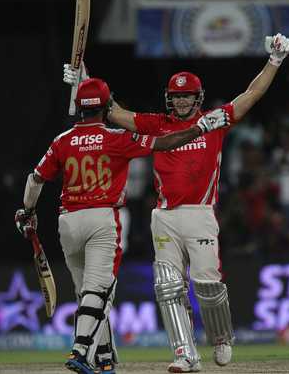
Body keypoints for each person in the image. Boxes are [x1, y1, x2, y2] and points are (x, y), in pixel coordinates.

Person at [63, 33, 289, 373]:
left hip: (200, 215)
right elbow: (113, 112)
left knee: (206, 282)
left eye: (188, 97)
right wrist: (85, 80)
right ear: (169, 98)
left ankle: (220, 338)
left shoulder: (213, 123)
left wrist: (274, 61)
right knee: (167, 286)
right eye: (177, 97)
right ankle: (185, 354)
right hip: (165, 217)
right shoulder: (157, 125)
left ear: (197, 97)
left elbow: (251, 95)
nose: (183, 102)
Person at [14, 77, 229, 374]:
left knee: (85, 293)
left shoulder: (62, 140)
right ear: (105, 108)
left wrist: (27, 211)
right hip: (102, 219)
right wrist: (199, 129)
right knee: (99, 292)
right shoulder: (117, 138)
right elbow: (164, 142)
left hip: (67, 221)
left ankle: (104, 357)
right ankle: (81, 350)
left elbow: (35, 179)